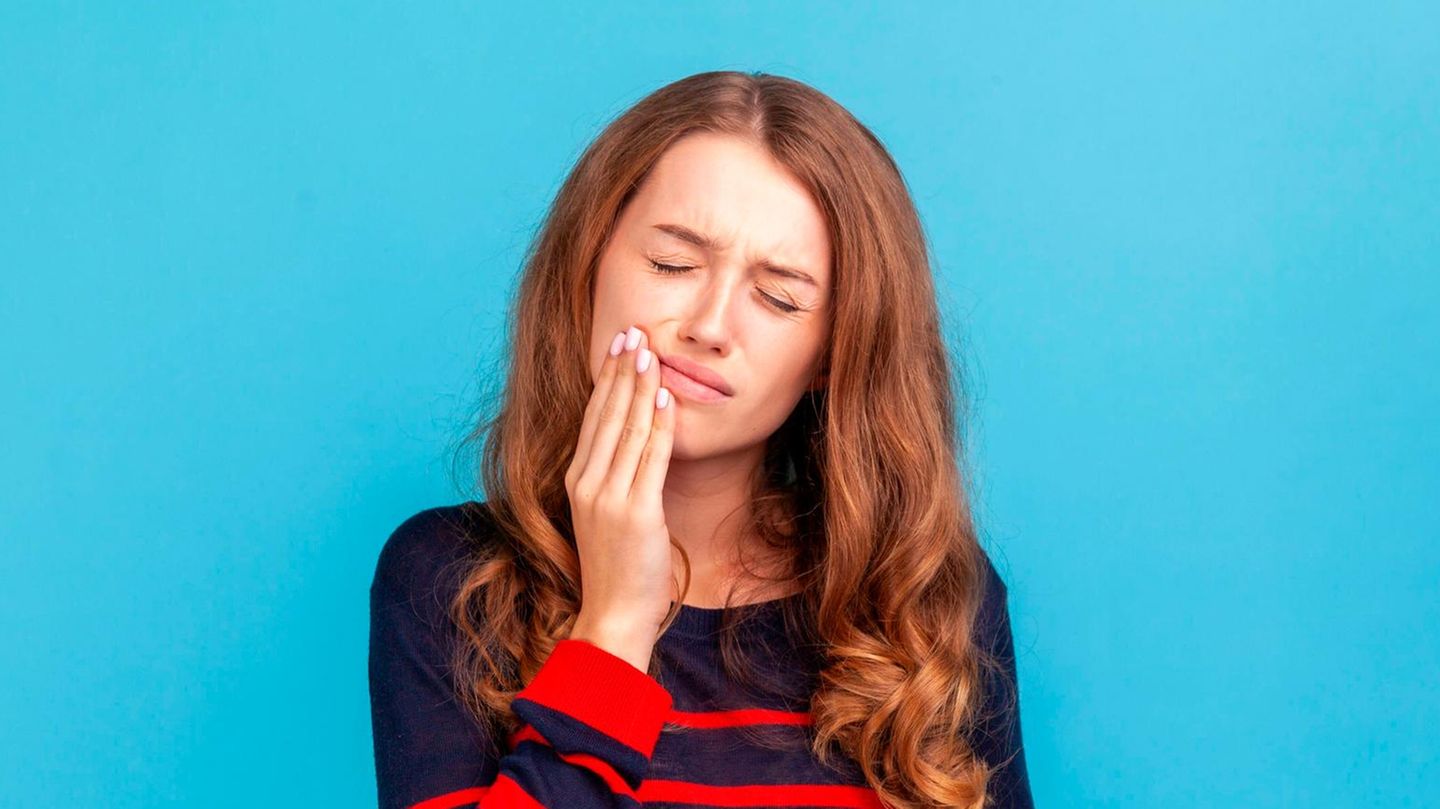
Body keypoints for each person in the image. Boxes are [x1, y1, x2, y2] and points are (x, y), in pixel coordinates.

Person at [369, 70, 1034, 809]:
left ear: (832, 355)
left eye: (779, 296)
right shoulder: (449, 582)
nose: (710, 326)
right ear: (588, 268)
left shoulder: (928, 597)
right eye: (671, 264)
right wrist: (615, 624)